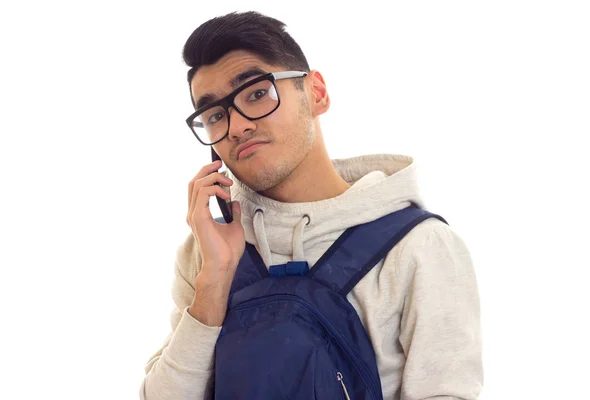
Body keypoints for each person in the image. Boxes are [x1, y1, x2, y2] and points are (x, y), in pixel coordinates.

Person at [139, 10, 483, 400]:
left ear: (316, 93)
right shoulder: (207, 250)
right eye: (216, 115)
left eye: (256, 93)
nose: (237, 127)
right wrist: (215, 279)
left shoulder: (420, 246)